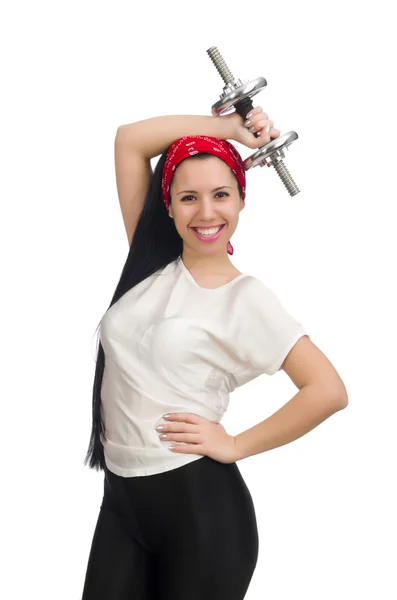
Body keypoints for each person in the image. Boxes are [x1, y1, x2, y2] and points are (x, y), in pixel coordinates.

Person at [81, 107, 348, 599]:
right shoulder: (150, 266)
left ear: (242, 199)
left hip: (202, 516)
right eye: (189, 197)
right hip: (121, 506)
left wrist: (235, 444)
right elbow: (129, 139)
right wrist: (228, 130)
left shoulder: (245, 298)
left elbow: (328, 390)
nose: (206, 213)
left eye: (221, 194)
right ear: (168, 205)